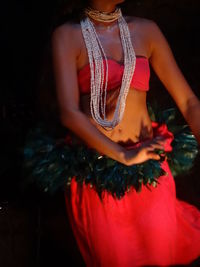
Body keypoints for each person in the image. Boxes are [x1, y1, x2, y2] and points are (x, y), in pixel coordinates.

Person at [50, 0, 200, 265]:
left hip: (149, 171)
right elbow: (69, 113)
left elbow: (189, 103)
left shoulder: (146, 31)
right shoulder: (67, 36)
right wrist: (123, 155)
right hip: (98, 177)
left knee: (159, 257)